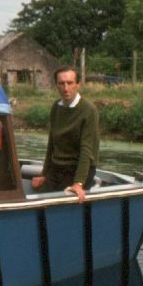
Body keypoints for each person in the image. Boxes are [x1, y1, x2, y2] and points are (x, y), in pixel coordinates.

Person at [32, 67, 99, 202]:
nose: (65, 88)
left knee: (63, 203)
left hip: (78, 170)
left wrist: (78, 183)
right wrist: (44, 174)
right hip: (57, 168)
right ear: (56, 85)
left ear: (78, 85)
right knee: (40, 201)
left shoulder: (89, 110)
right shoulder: (56, 107)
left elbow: (86, 150)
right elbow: (52, 143)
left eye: (70, 83)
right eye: (61, 83)